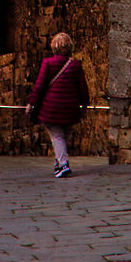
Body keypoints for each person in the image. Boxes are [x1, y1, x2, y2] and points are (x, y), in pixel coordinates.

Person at [26, 31, 91, 178]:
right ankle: (58, 163)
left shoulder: (48, 63)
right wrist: (84, 105)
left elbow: (40, 85)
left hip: (52, 108)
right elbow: (83, 87)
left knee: (57, 136)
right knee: (63, 136)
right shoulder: (75, 65)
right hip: (70, 109)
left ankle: (63, 164)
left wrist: (31, 102)